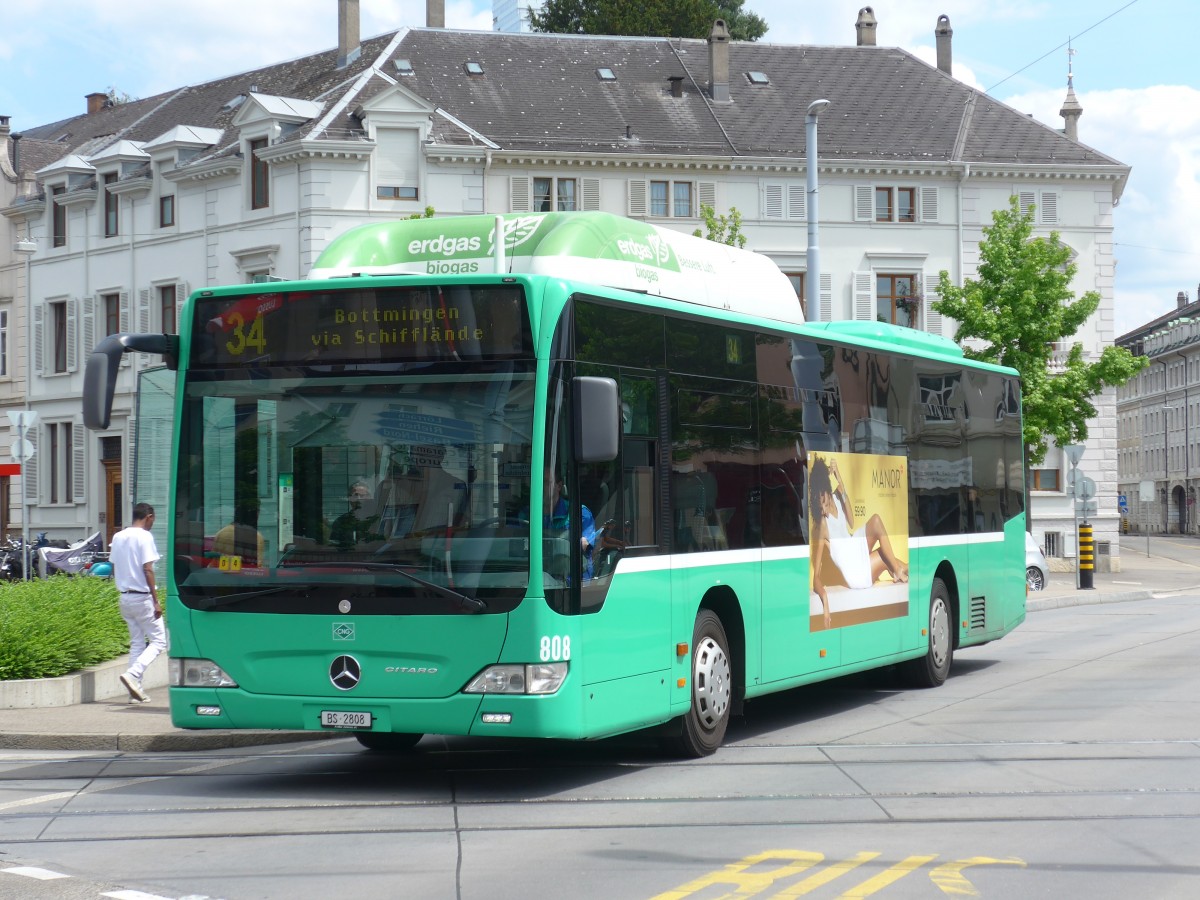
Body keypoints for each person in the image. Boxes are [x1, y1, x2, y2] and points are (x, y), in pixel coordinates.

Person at [810, 456, 908, 629]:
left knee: (894, 556)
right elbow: (816, 576)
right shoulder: (823, 525)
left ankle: (898, 570)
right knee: (882, 541)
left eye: (823, 500)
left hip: (856, 549)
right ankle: (898, 571)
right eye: (818, 504)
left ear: (826, 489)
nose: (822, 508)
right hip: (855, 571)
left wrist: (840, 478)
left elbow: (851, 521)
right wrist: (824, 600)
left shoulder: (837, 498)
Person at [110, 502, 165, 703]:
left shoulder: (118, 536)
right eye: (153, 520)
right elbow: (148, 569)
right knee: (160, 641)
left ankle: (135, 691)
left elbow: (114, 565)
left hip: (124, 596)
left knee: (137, 642)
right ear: (149, 517)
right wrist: (156, 601)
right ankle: (134, 674)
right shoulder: (145, 536)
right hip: (142, 597)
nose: (152, 524)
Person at [544, 469, 597, 581]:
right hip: (540, 576)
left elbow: (585, 544)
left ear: (559, 486)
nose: (541, 487)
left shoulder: (579, 513)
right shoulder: (527, 513)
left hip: (572, 581)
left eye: (546, 482)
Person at [330, 480, 382, 548]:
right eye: (355, 495)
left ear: (369, 498)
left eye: (362, 496)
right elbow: (334, 546)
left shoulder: (378, 519)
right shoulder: (340, 522)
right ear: (349, 498)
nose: (359, 499)